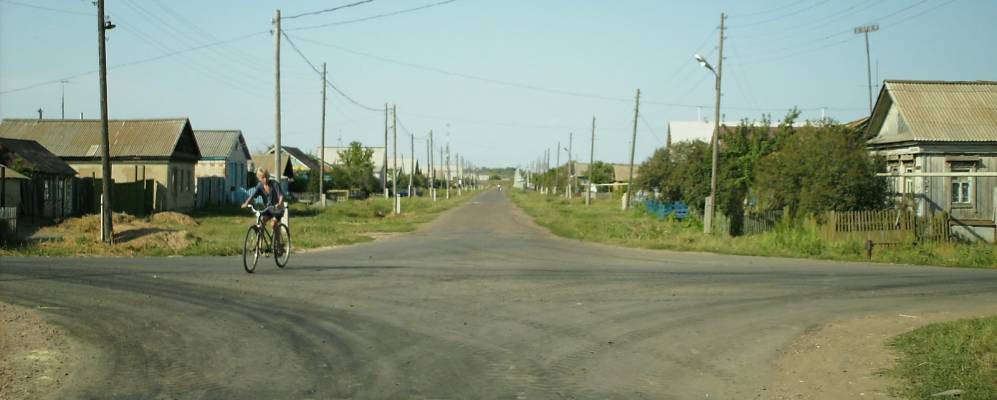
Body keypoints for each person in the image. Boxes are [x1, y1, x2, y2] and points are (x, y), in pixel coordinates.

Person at [243, 168, 285, 249]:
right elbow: (252, 196)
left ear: (268, 176)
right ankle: (259, 244)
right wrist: (246, 203)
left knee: (273, 224)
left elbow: (281, 196)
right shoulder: (259, 186)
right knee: (261, 221)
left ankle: (278, 244)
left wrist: (279, 204)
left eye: (266, 177)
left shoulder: (274, 184)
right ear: (259, 178)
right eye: (262, 177)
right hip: (268, 209)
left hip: (278, 209)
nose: (265, 179)